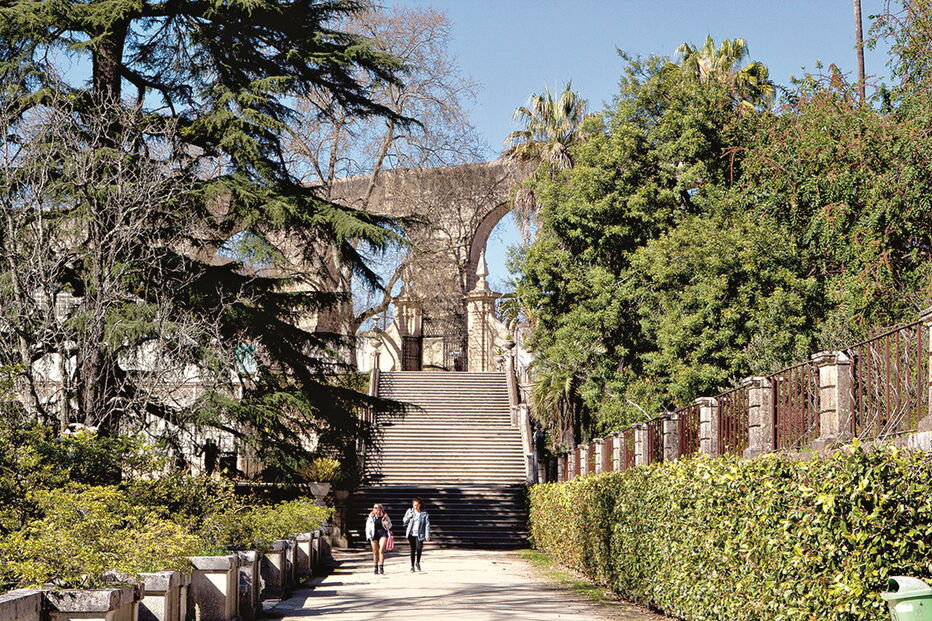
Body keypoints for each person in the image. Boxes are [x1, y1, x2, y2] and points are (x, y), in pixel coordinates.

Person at [402, 497, 431, 572]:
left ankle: (417, 562)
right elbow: (404, 520)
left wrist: (427, 535)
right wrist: (409, 517)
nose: (415, 507)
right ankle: (412, 565)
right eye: (414, 505)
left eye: (417, 505)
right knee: (412, 549)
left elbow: (427, 525)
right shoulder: (409, 511)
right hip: (411, 533)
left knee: (419, 548)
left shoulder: (424, 514)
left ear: (420, 505)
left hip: (420, 534)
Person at [365, 503, 392, 575]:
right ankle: (375, 567)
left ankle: (381, 567)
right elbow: (367, 527)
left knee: (381, 550)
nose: (376, 509)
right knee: (375, 552)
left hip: (383, 533)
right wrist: (368, 536)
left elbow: (390, 525)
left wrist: (386, 524)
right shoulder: (371, 517)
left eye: (377, 508)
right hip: (374, 534)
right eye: (375, 508)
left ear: (381, 509)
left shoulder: (385, 516)